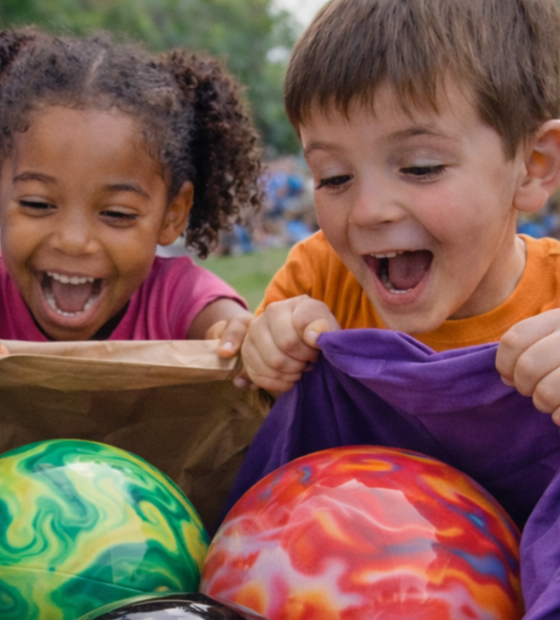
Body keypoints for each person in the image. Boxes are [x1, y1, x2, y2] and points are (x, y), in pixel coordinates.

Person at [0, 29, 262, 386]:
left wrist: (246, 338)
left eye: (116, 214)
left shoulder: (179, 300)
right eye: (38, 204)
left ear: (173, 214)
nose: (73, 241)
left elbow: (233, 330)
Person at [217, 0, 560, 409]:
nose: (368, 211)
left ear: (533, 167)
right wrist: (271, 358)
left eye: (420, 168)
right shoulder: (317, 283)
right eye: (334, 177)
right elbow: (258, 420)